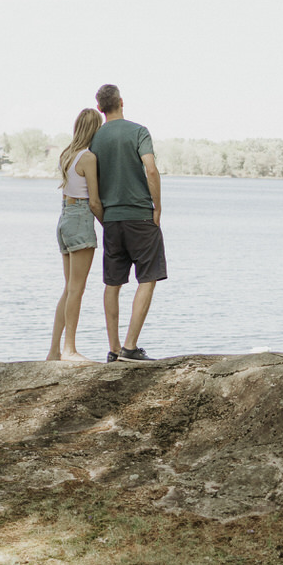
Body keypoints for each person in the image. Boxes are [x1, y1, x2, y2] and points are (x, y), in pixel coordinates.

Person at [90, 83, 166, 363]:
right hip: (140, 216)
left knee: (113, 283)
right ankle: (130, 347)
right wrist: (157, 208)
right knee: (148, 277)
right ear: (122, 102)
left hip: (112, 219)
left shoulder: (94, 139)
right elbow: (151, 169)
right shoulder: (138, 131)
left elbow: (92, 185)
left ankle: (113, 349)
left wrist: (104, 218)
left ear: (100, 108)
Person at [47, 107, 104, 364]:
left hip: (64, 218)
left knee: (69, 288)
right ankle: (70, 349)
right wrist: (109, 226)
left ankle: (53, 351)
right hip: (80, 218)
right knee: (77, 289)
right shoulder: (88, 157)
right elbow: (94, 201)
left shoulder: (66, 154)